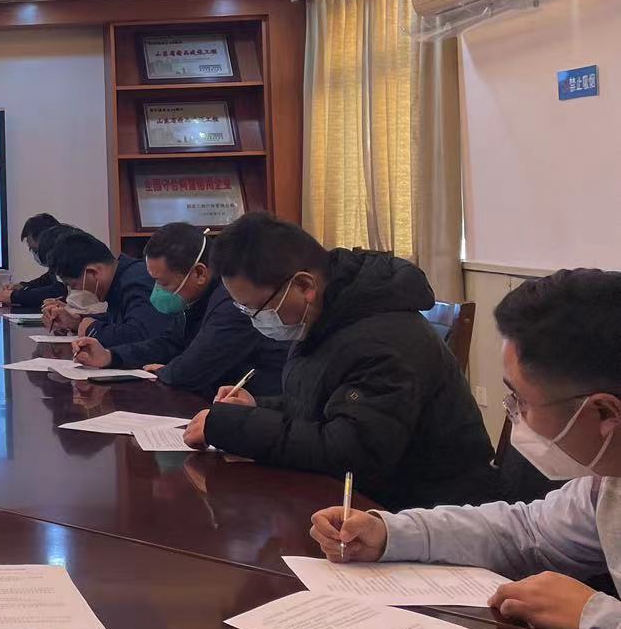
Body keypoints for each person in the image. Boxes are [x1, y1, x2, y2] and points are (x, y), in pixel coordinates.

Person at [309, 269, 621, 629]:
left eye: (522, 401)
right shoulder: (605, 484)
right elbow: (526, 532)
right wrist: (389, 533)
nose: (514, 415)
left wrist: (596, 616)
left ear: (604, 412)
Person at [187, 211, 497, 511]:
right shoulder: (331, 314)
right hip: (367, 498)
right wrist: (255, 407)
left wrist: (235, 427)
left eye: (256, 308)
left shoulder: (381, 341)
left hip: (427, 510)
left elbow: (349, 455)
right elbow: (324, 404)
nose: (255, 319)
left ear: (305, 286)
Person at [70, 221, 288, 397]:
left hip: (263, 402)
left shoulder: (232, 301)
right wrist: (110, 356)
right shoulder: (195, 299)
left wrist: (165, 372)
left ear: (199, 274)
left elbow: (195, 367)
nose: (157, 291)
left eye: (163, 283)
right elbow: (169, 343)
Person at [42, 229, 179, 350]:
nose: (71, 292)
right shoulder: (122, 279)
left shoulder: (137, 282)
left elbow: (141, 336)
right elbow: (122, 320)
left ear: (93, 273)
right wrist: (76, 322)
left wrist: (92, 329)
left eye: (73, 285)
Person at [0, 213, 68, 311]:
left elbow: (59, 291)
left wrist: (13, 296)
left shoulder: (70, 256)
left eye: (34, 249)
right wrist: (23, 286)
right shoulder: (58, 261)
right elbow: (49, 278)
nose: (36, 254)